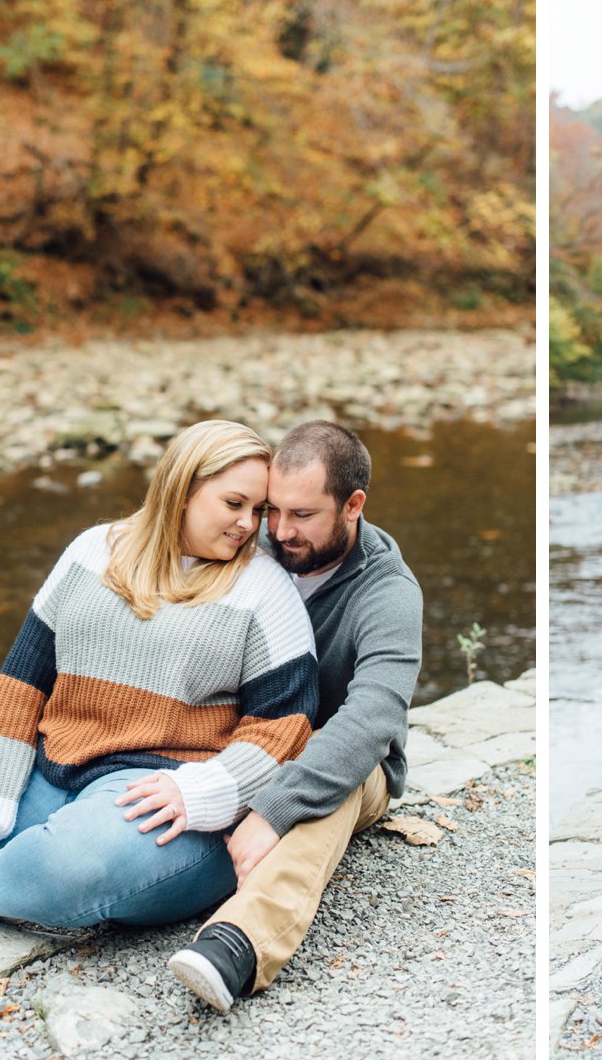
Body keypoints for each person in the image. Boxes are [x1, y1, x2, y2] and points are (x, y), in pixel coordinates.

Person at [0, 420, 319, 929]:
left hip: (168, 791)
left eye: (258, 511)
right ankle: (12, 883)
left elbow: (286, 725)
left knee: (71, 866)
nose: (249, 525)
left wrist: (207, 789)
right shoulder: (92, 552)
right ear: (181, 490)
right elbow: (20, 688)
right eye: (234, 504)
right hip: (53, 762)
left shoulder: (263, 588)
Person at [167, 421, 423, 1013]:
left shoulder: (388, 593)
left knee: (342, 777)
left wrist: (273, 809)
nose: (280, 531)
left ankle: (239, 945)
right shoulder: (250, 546)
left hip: (346, 761)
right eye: (272, 510)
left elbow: (373, 716)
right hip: (245, 741)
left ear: (353, 505)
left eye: (302, 515)